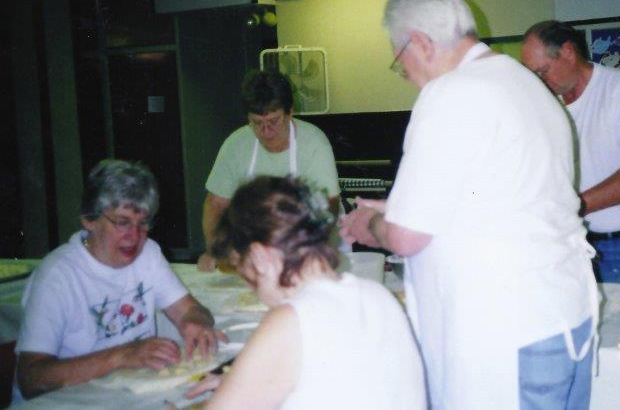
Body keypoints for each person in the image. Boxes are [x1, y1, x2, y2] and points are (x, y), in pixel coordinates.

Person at [339, 0, 598, 410]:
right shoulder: (523, 83)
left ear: (419, 43)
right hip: (560, 317)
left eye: (399, 61)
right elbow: (499, 191)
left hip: (507, 335)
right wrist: (400, 208)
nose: (406, 75)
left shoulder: (450, 93)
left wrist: (371, 223)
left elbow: (405, 239)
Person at [186, 175, 425, 409]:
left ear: (259, 257)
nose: (252, 287)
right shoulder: (380, 295)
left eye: (244, 271)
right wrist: (244, 384)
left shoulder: (289, 320)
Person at [15, 160, 224, 400]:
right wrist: (121, 356)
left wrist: (194, 322)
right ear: (89, 219)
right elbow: (31, 378)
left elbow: (191, 311)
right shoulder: (57, 276)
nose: (134, 236)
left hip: (127, 396)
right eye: (122, 222)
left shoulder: (149, 253)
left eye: (143, 223)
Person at [521, 21, 620, 285]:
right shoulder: (546, 105)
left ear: (568, 52)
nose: (540, 82)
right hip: (572, 243)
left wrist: (574, 206)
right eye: (533, 75)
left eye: (543, 71)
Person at [199, 70, 340, 271]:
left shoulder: (314, 143)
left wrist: (306, 254)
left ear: (290, 112)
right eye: (257, 123)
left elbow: (328, 205)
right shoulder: (236, 145)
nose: (265, 131)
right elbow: (216, 203)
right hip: (256, 256)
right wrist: (214, 248)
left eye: (274, 121)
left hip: (308, 248)